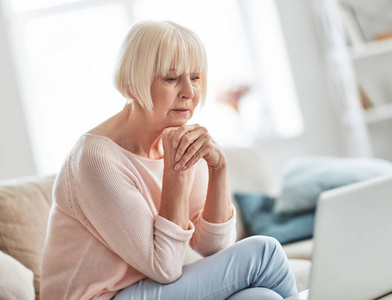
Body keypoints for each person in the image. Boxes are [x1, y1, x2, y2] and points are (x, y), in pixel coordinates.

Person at [40, 20, 298, 300]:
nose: (189, 92)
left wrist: (218, 168)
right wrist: (175, 171)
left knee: (260, 298)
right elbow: (165, 268)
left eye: (196, 77)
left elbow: (214, 248)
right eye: (171, 79)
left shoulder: (180, 140)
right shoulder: (95, 159)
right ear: (133, 84)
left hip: (149, 289)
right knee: (264, 252)